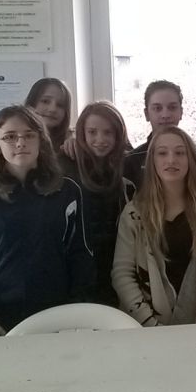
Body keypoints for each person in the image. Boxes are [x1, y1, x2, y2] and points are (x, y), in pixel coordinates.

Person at [0, 105, 96, 336]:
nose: (20, 143)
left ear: (41, 140)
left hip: (58, 315)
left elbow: (81, 255)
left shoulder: (67, 191)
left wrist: (76, 309)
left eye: (29, 135)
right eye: (10, 137)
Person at [112, 126, 196, 326]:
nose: (171, 160)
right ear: (152, 162)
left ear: (191, 159)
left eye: (180, 153)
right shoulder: (134, 212)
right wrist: (149, 323)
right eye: (162, 153)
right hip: (145, 326)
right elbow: (122, 274)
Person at [59, 101, 131, 306]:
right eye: (92, 132)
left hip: (117, 265)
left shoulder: (127, 165)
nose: (100, 140)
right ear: (82, 133)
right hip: (77, 270)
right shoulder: (66, 164)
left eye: (108, 132)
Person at [122, 80, 196, 197]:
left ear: (181, 112)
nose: (165, 115)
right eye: (157, 108)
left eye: (172, 107)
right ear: (147, 114)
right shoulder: (131, 161)